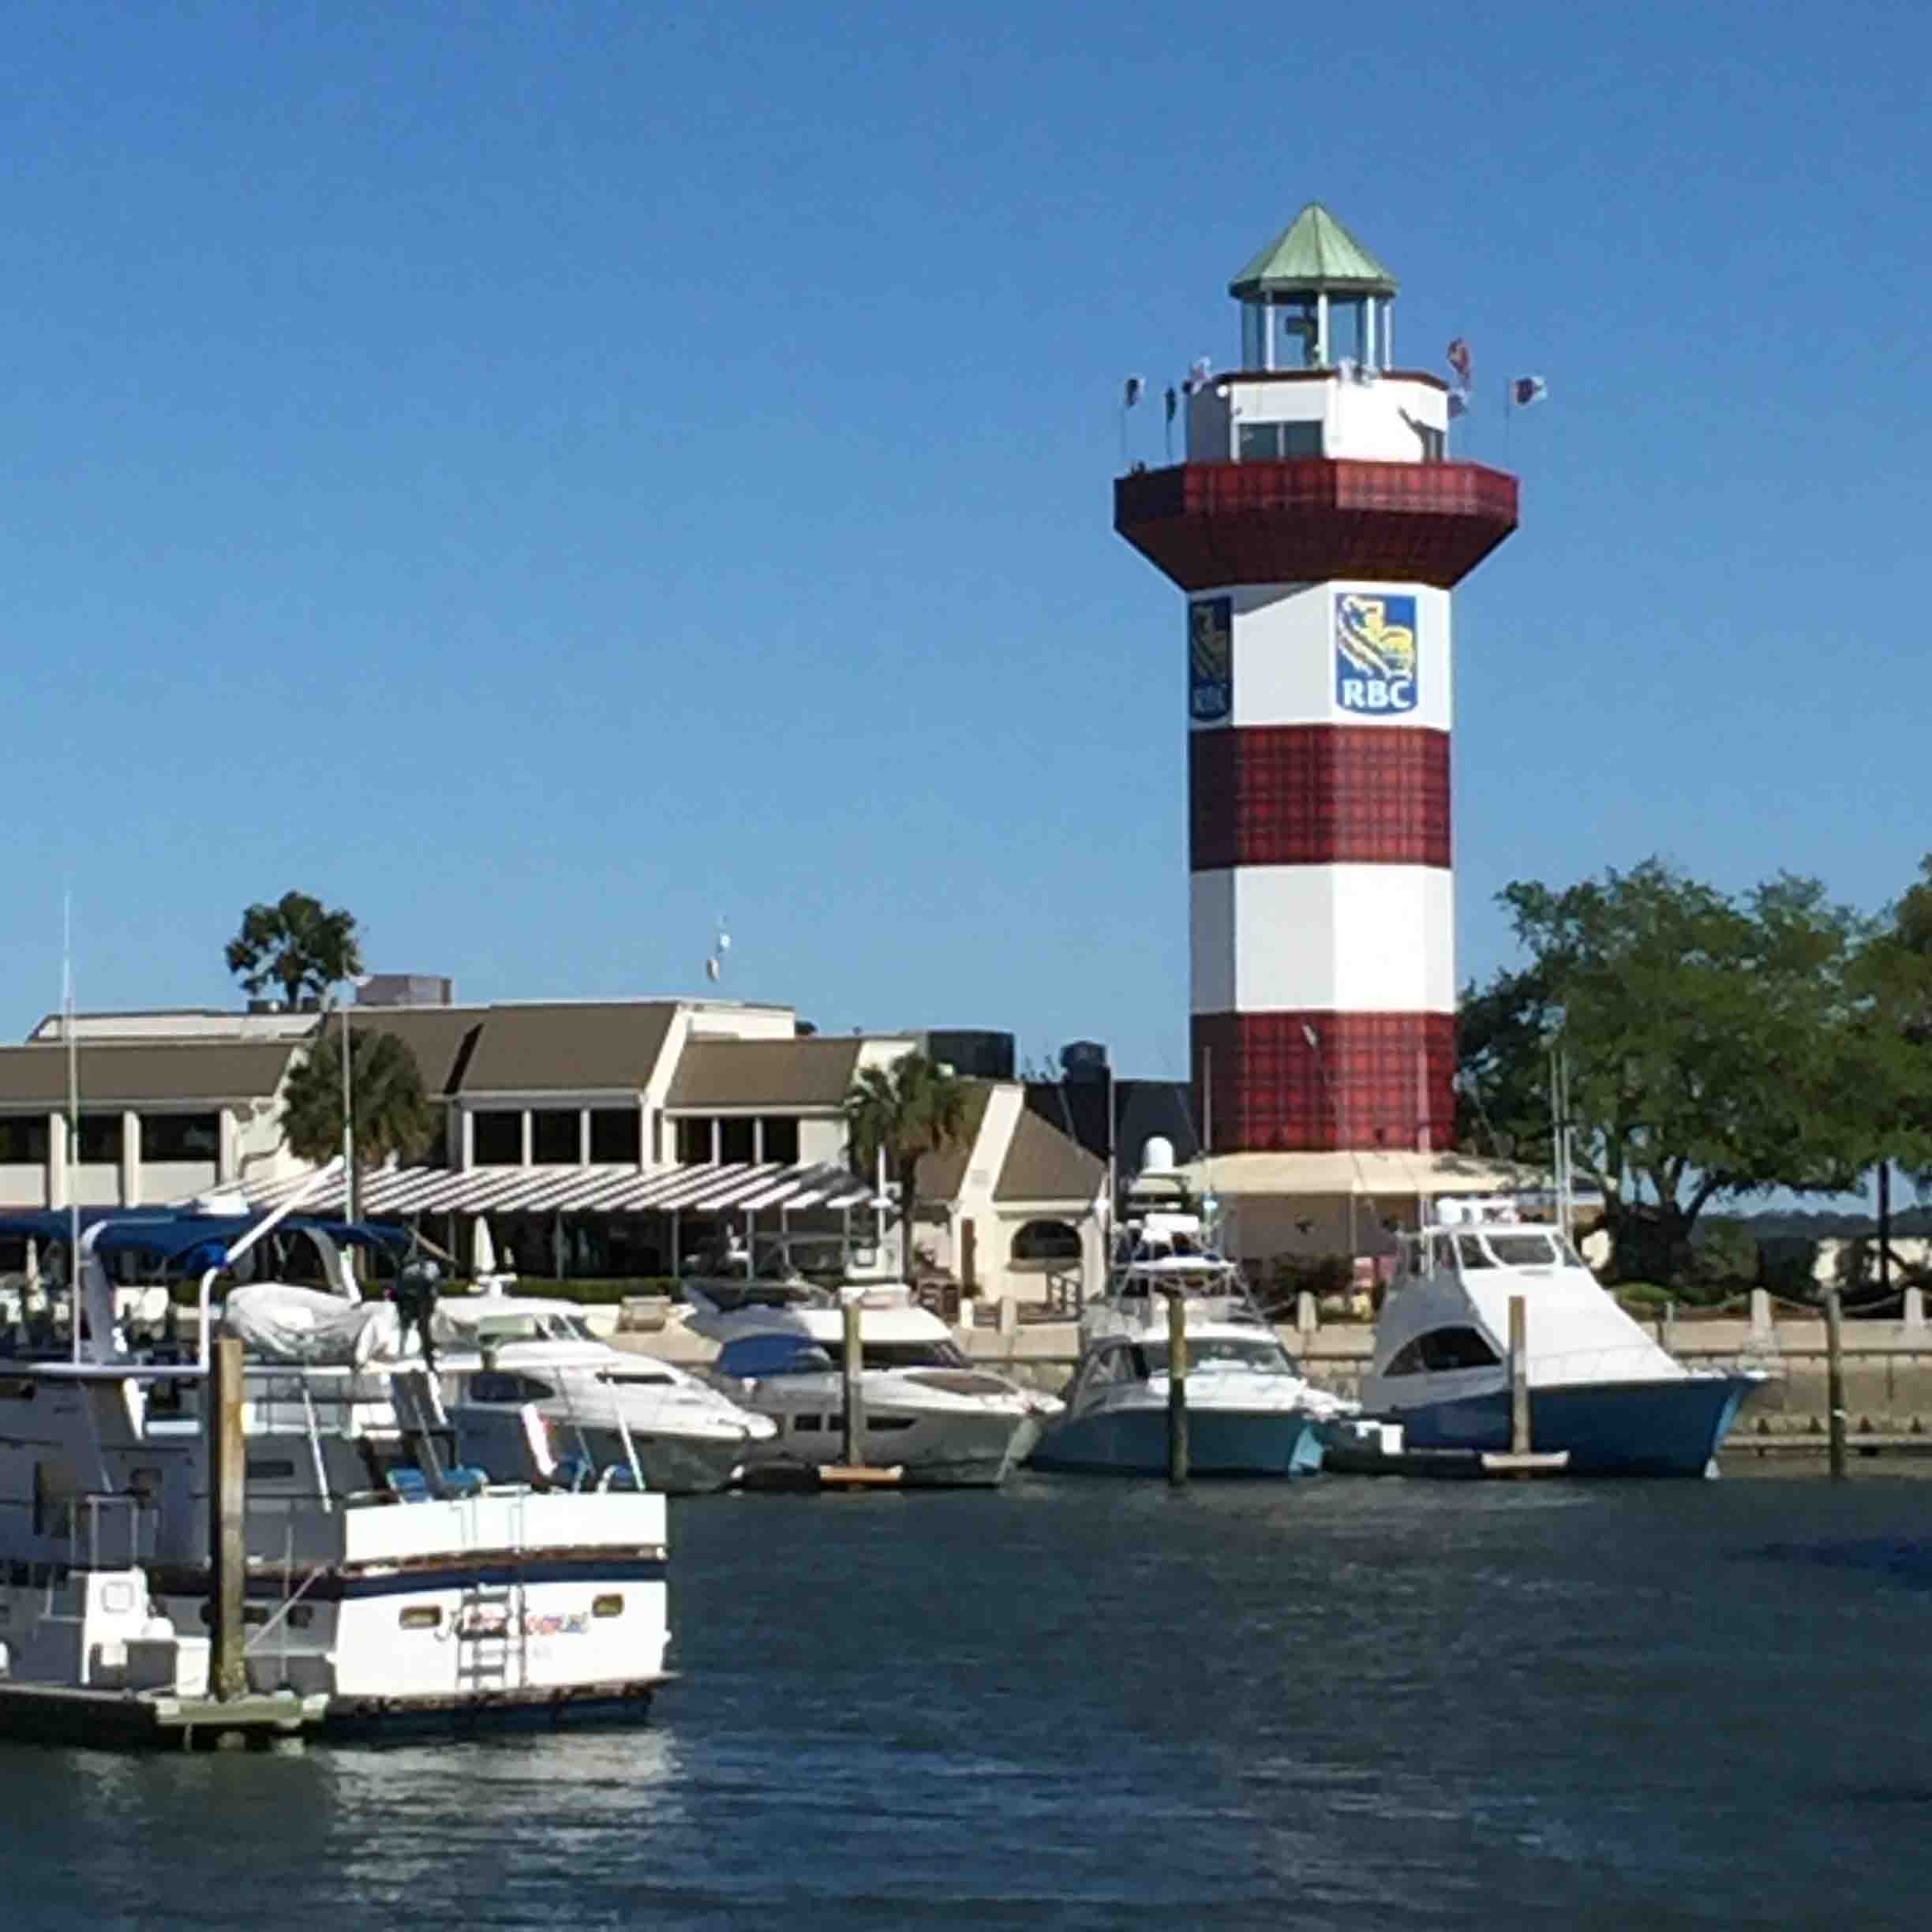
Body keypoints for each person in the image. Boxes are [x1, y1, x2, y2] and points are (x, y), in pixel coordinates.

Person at [393, 1259, 444, 1373]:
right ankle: (406, 1349)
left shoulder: (427, 1275)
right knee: (418, 1322)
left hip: (413, 1284)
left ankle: (408, 1349)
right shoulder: (423, 1280)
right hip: (411, 1286)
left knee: (417, 1322)